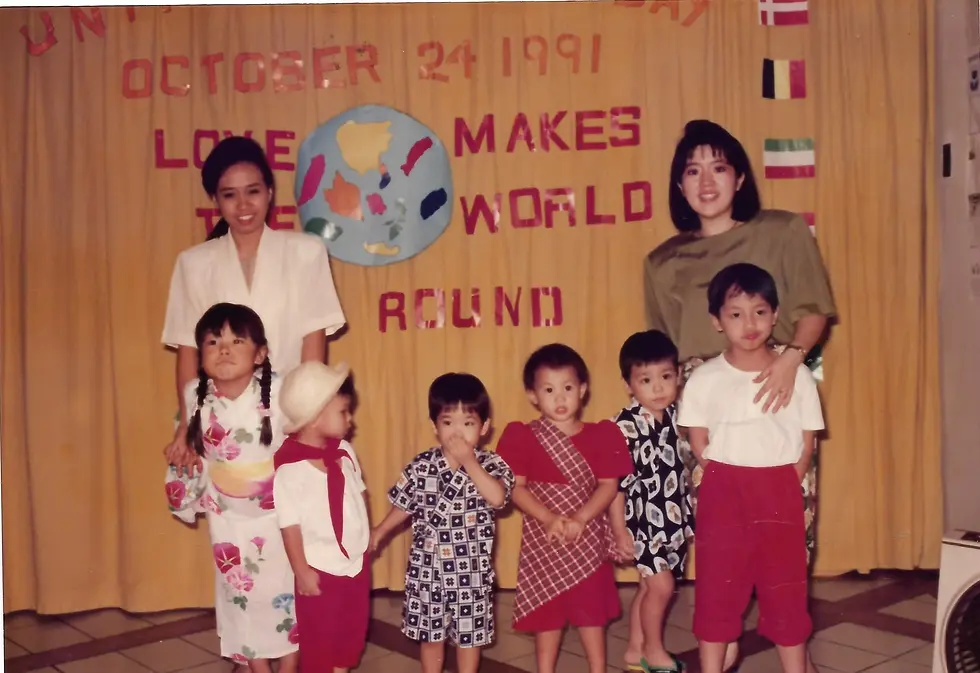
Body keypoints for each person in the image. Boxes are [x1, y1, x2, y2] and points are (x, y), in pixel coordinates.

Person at [644, 119, 835, 670]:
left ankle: (789, 648)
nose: (706, 181)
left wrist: (789, 365)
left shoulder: (782, 229)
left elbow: (813, 309)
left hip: (777, 389)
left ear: (740, 176)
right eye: (692, 171)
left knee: (783, 546)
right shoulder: (661, 261)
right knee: (722, 546)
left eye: (719, 167)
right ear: (679, 186)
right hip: (704, 409)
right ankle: (718, 650)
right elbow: (664, 353)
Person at [162, 136, 346, 469]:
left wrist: (308, 417)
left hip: (288, 414)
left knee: (294, 516)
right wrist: (188, 425)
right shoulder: (193, 263)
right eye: (229, 195)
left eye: (253, 191)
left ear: (270, 192)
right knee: (231, 516)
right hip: (223, 421)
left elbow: (313, 343)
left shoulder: (306, 252)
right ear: (215, 200)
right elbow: (188, 350)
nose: (243, 205)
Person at [679, 263, 823, 673]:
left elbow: (805, 446)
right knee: (717, 591)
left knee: (786, 592)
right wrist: (728, 474)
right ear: (717, 321)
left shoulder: (799, 379)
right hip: (724, 491)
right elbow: (699, 440)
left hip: (778, 490)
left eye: (760, 311)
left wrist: (777, 483)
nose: (750, 323)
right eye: (736, 313)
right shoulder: (704, 379)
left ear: (776, 314)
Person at [164, 303, 298, 672]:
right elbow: (190, 445)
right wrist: (181, 451)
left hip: (278, 516)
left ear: (260, 354)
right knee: (240, 597)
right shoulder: (195, 393)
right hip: (228, 518)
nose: (223, 349)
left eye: (237, 340)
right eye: (212, 341)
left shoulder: (281, 390)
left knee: (285, 597)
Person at [496, 344, 633, 673]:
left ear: (582, 390)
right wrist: (549, 517)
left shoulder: (602, 435)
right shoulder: (523, 436)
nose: (560, 399)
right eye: (549, 390)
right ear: (532, 395)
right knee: (548, 613)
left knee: (591, 615)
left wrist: (581, 518)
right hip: (546, 538)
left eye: (568, 388)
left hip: (587, 538)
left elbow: (608, 486)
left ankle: (597, 668)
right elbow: (516, 487)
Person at [370, 373, 515, 673]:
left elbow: (498, 498)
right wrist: (381, 530)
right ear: (435, 426)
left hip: (471, 572)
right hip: (428, 570)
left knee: (469, 638)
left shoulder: (493, 465)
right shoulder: (422, 465)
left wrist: (470, 462)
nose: (457, 432)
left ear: (484, 427)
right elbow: (404, 505)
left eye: (468, 423)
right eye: (448, 422)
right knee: (431, 637)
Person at [273, 361, 370, 673]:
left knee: (350, 635)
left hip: (355, 564)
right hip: (320, 570)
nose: (350, 419)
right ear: (315, 418)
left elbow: (359, 496)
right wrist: (301, 571)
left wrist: (365, 538)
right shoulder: (290, 470)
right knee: (320, 641)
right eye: (343, 411)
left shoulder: (345, 453)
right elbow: (290, 527)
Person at [609, 330, 694, 673]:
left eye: (666, 377)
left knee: (649, 587)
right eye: (646, 380)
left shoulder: (675, 417)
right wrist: (618, 532)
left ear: (678, 375)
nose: (658, 387)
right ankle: (654, 652)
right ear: (629, 384)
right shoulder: (624, 427)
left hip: (671, 519)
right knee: (662, 586)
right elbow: (614, 485)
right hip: (642, 524)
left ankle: (634, 649)